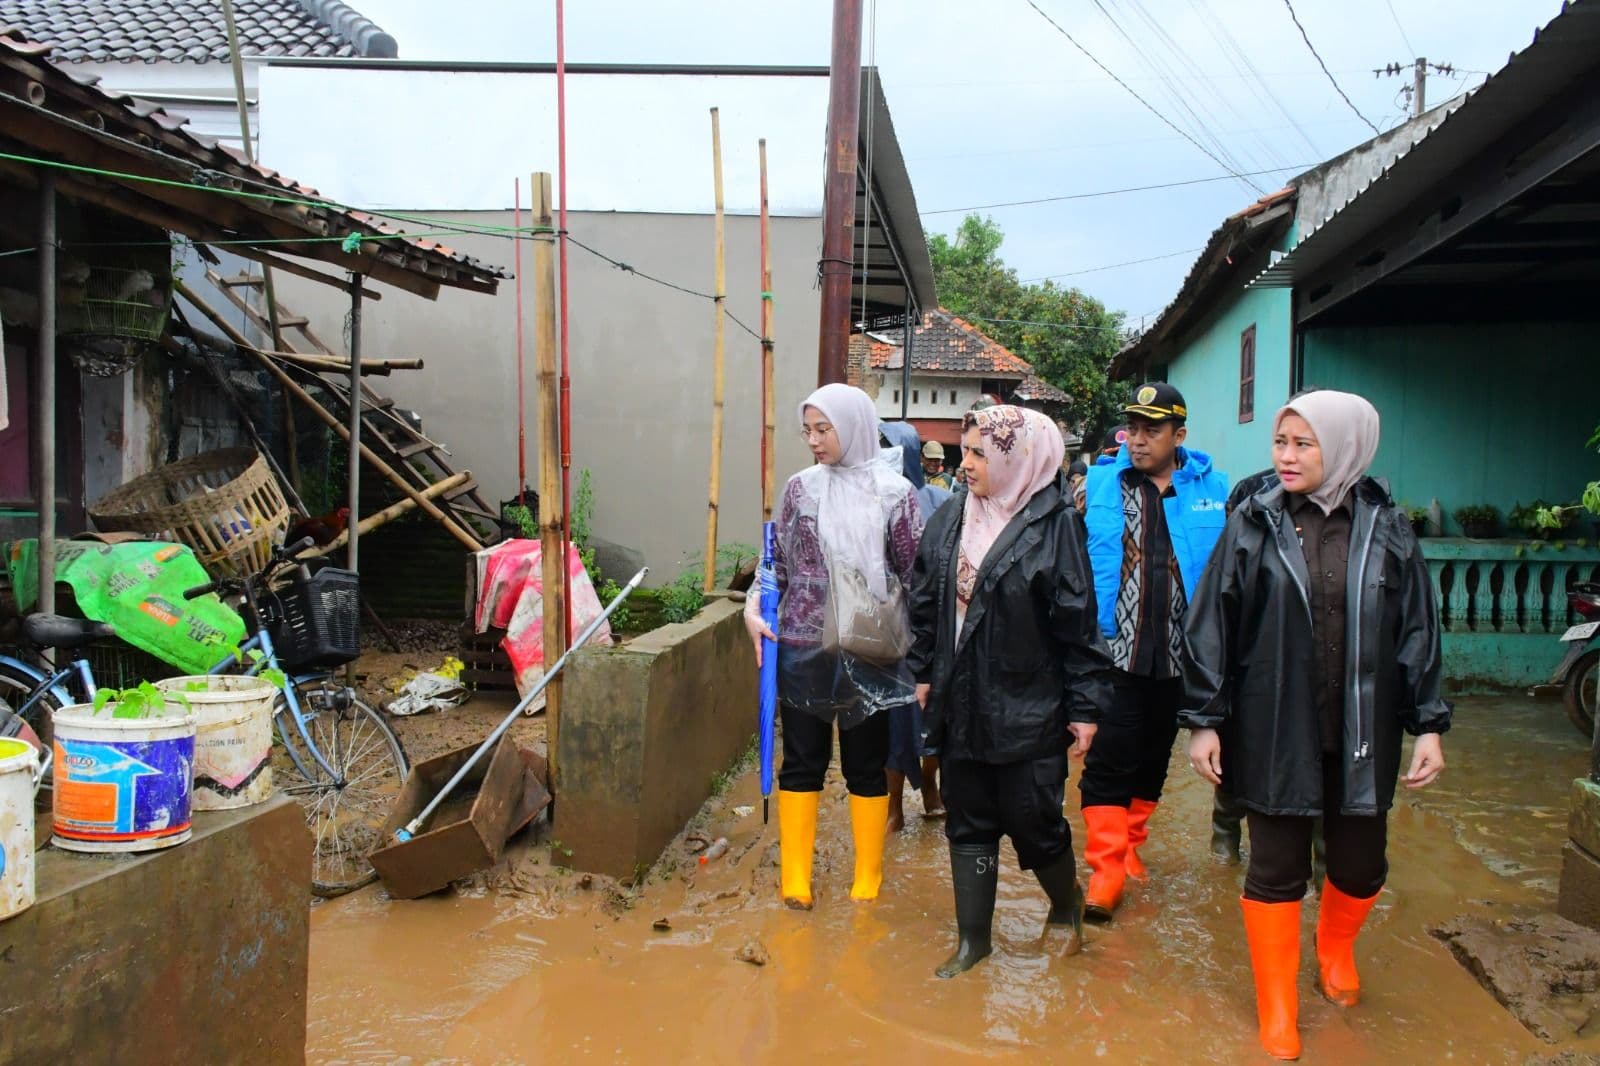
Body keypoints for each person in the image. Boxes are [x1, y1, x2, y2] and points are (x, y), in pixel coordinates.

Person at [1180, 390, 1450, 1060]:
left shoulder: (1387, 527)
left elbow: (1416, 630)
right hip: (1273, 728)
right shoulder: (1255, 522)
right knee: (1274, 867)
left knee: (1361, 866)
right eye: (1281, 442)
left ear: (1347, 447)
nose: (1287, 457)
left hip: (1364, 729)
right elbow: (1212, 623)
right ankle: (1278, 1005)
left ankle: (1334, 950)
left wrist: (1430, 725)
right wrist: (1205, 721)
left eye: (1305, 444)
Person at [908, 405, 1113, 978]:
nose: (964, 463)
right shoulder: (952, 516)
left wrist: (1084, 707)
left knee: (1033, 819)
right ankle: (974, 941)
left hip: (1029, 704)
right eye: (965, 450)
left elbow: (1077, 621)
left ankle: (1066, 907)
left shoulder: (1053, 523)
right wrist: (923, 672)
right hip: (960, 699)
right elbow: (925, 600)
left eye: (978, 453)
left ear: (1016, 459)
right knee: (967, 816)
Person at [744, 384, 923, 909]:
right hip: (803, 644)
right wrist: (754, 609)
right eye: (809, 430)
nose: (815, 441)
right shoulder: (801, 489)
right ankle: (794, 876)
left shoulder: (896, 494)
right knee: (802, 760)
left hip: (870, 647)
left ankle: (867, 873)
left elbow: (915, 577)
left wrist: (926, 655)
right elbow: (775, 563)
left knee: (865, 764)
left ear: (855, 427)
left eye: (825, 429)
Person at [1078, 382, 1228, 922]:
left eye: (1152, 430)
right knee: (1108, 760)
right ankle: (1105, 871)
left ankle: (1130, 846)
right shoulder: (1100, 485)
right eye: (1133, 429)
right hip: (1114, 653)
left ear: (1178, 435)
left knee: (1153, 759)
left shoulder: (1214, 490)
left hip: (1179, 659)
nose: (1138, 440)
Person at [878, 421, 952, 829]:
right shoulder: (870, 498)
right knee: (891, 717)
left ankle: (928, 785)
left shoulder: (940, 501)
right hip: (885, 629)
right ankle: (893, 806)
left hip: (931, 626)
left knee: (932, 712)